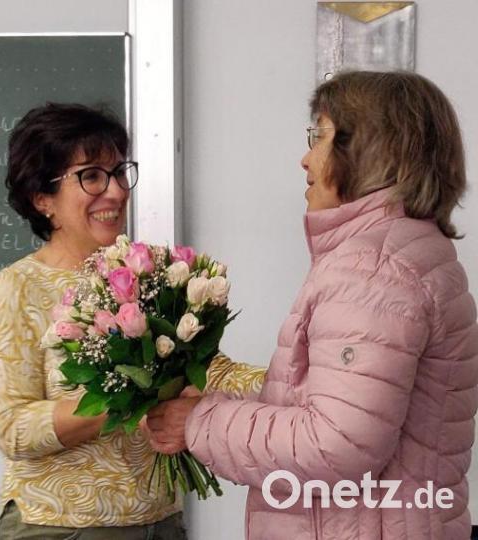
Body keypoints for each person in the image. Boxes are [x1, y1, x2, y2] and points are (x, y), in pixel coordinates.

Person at [146, 71, 478, 540]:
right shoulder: (408, 254)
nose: (306, 159)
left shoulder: (373, 271)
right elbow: (335, 411)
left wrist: (200, 423)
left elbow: (337, 444)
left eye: (318, 136)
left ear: (368, 149)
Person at [0, 102, 263, 540]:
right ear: (43, 199)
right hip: (59, 527)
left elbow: (209, 372)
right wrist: (128, 397)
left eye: (117, 172)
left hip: (159, 521)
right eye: (91, 175)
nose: (114, 191)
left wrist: (301, 380)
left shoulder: (148, 274)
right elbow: (13, 429)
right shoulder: (18, 287)